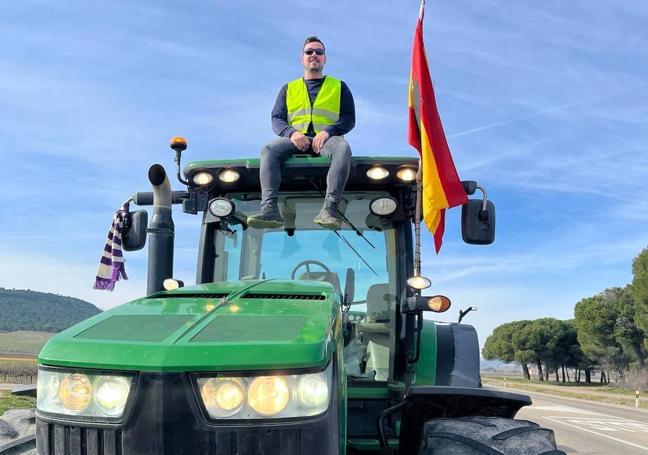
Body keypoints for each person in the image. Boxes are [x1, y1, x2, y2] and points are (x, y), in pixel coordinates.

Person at [248, 36, 356, 230]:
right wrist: (292, 133)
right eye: (309, 52)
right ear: (302, 59)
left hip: (328, 142)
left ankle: (329, 209)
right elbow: (277, 119)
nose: (314, 55)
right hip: (297, 140)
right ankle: (269, 208)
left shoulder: (339, 87)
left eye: (319, 52)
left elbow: (348, 119)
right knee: (268, 150)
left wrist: (328, 132)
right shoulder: (288, 89)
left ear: (325, 59)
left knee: (343, 149)